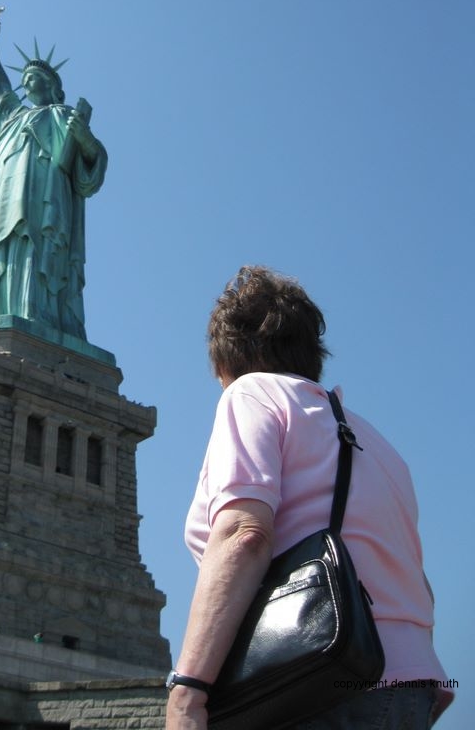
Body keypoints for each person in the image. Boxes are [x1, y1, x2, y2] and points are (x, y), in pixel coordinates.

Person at [166, 266, 453, 730]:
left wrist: (189, 690)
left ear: (224, 365)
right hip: (412, 687)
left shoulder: (251, 393)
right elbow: (418, 586)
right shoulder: (380, 446)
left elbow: (244, 534)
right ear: (311, 353)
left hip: (314, 680)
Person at [0, 26, 106, 340]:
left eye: (32, 77)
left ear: (51, 85)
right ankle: (3, 311)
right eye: (24, 79)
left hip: (48, 197)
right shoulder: (14, 117)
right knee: (9, 251)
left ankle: (43, 315)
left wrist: (85, 139)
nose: (25, 82)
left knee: (41, 248)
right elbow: (0, 88)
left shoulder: (63, 115)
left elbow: (91, 165)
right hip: (7, 199)